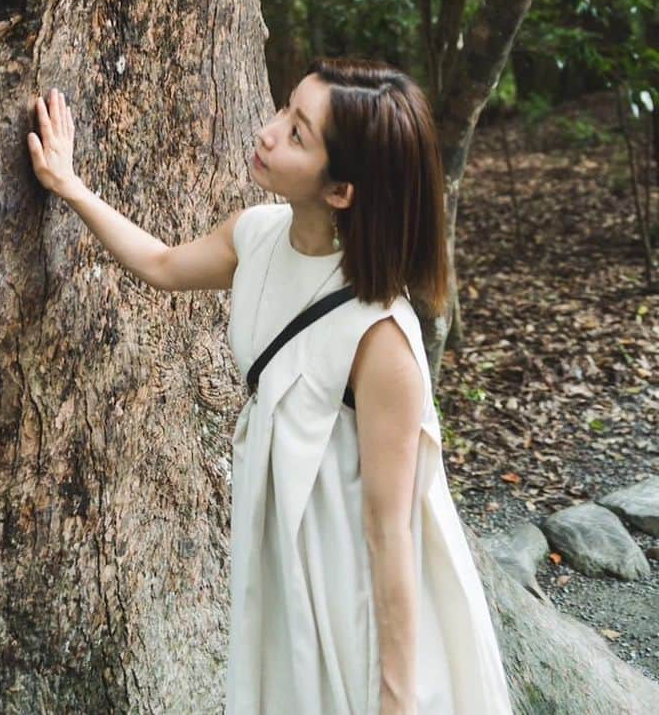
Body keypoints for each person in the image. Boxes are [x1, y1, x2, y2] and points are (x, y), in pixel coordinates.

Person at [27, 56, 514, 715]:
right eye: (286, 109)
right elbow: (164, 265)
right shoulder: (256, 236)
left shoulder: (381, 337)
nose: (267, 130)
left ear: (341, 190)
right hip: (282, 546)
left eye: (297, 132)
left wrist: (395, 698)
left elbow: (390, 530)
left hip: (349, 581)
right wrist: (69, 184)